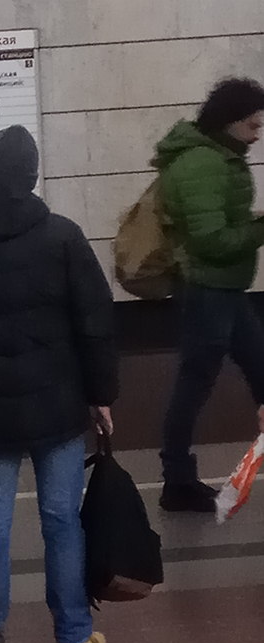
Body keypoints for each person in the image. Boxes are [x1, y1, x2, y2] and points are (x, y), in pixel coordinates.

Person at [0, 125, 118, 643]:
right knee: (61, 520)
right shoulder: (63, 237)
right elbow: (95, 324)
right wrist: (102, 396)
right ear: (32, 175)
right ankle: (74, 636)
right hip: (58, 408)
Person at [154, 78, 264, 512]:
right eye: (253, 125)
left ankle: (177, 477)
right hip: (207, 290)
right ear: (229, 121)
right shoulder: (201, 163)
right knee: (193, 385)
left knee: (259, 368)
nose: (257, 134)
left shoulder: (217, 157)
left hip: (225, 289)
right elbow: (210, 239)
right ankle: (176, 480)